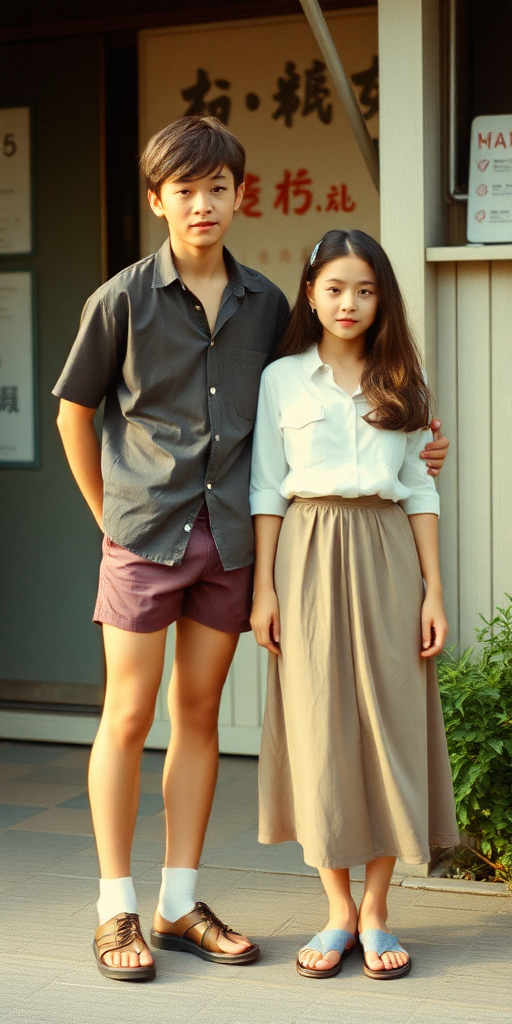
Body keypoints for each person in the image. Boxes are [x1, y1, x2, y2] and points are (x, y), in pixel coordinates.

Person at [53, 117, 450, 982]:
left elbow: (324, 393)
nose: (204, 204)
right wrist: (106, 518)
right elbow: (72, 415)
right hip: (143, 535)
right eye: (185, 190)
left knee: (197, 718)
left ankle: (177, 901)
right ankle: (114, 906)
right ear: (157, 199)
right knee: (128, 713)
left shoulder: (269, 302)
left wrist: (416, 438)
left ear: (241, 194)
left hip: (229, 538)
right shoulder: (119, 298)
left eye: (218, 188)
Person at [250, 228, 459, 981]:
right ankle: (336, 910)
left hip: (388, 552)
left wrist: (436, 590)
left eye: (365, 290)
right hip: (305, 554)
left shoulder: (402, 377)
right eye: (335, 288)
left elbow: (422, 488)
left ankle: (376, 911)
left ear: (382, 299)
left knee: (389, 725)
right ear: (310, 293)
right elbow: (266, 489)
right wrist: (264, 588)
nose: (350, 303)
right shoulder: (280, 380)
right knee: (321, 728)